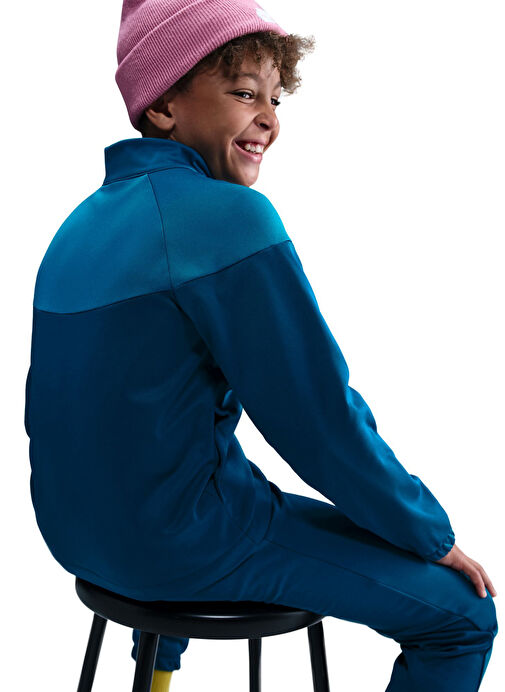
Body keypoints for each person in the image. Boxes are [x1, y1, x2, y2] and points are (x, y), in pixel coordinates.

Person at [24, 2, 498, 691]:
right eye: (245, 93)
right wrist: (427, 533)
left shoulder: (75, 228)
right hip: (181, 545)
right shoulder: (226, 217)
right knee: (462, 616)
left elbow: (98, 426)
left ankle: (155, 675)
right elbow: (316, 418)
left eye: (276, 98)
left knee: (195, 476)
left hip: (77, 538)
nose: (270, 119)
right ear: (162, 106)